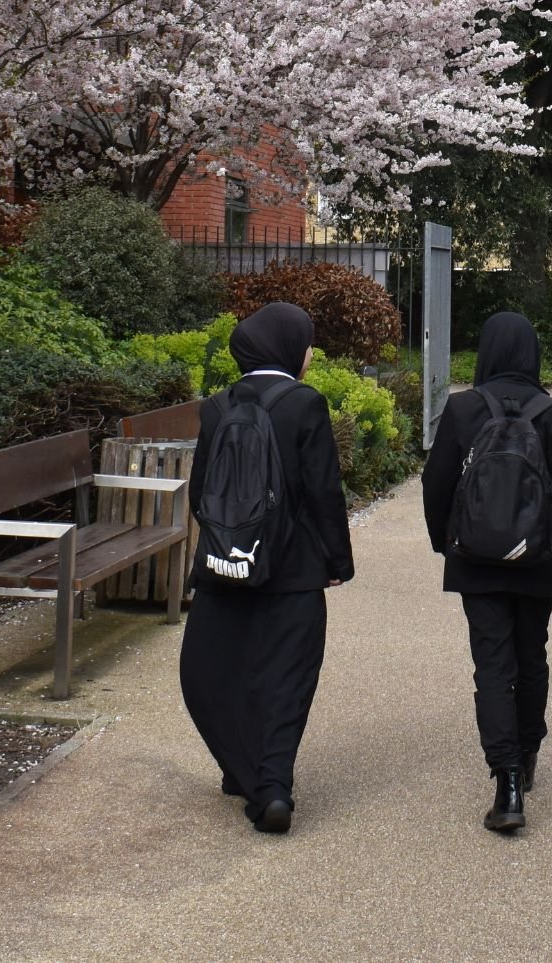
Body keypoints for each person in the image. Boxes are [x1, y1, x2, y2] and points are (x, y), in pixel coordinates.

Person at [423, 310, 552, 834]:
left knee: (491, 666)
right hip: (539, 559)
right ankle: (526, 756)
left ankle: (505, 784)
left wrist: (446, 543)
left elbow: (435, 484)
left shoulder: (462, 409)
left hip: (475, 558)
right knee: (531, 657)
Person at [179, 301, 354, 834]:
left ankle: (241, 769)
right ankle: (272, 785)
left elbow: (201, 492)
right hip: (293, 570)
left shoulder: (217, 407)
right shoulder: (305, 404)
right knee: (286, 676)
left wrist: (231, 542)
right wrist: (337, 561)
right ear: (289, 347)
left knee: (214, 674)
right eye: (307, 344)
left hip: (224, 566)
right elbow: (323, 491)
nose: (310, 354)